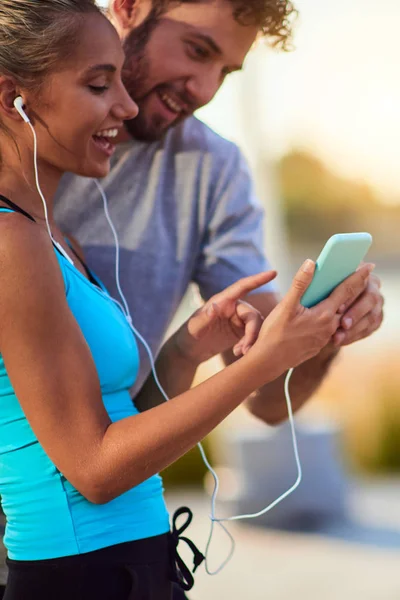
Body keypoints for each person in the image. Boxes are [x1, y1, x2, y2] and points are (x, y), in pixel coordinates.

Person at [0, 1, 376, 599]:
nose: (204, 89)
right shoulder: (14, 237)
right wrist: (262, 359)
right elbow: (93, 469)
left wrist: (191, 344)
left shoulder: (57, 236)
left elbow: (124, 416)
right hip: (69, 564)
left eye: (225, 73)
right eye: (198, 50)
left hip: (133, 563)